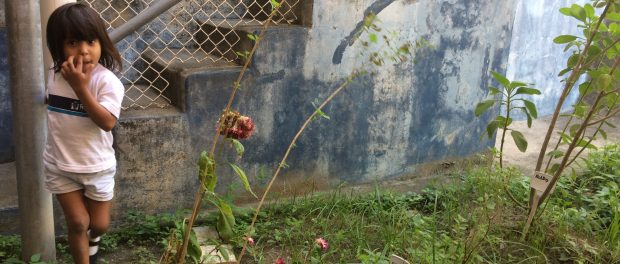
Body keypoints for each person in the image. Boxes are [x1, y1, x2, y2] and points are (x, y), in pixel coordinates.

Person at [44, 3, 124, 263]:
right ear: (58, 46)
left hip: (97, 166)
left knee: (98, 224)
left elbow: (107, 122)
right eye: (73, 42)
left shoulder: (107, 82)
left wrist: (80, 88)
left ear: (102, 42)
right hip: (59, 164)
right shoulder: (53, 76)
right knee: (78, 223)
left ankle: (95, 239)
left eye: (91, 41)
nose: (84, 50)